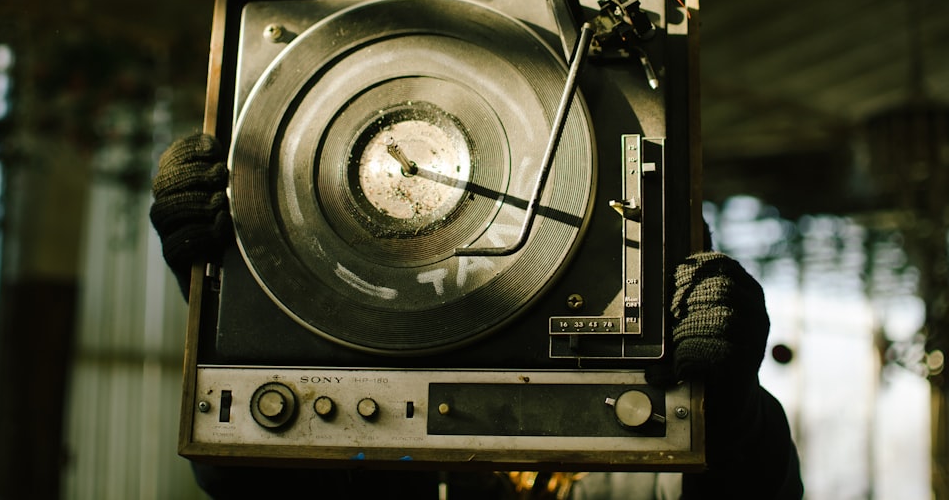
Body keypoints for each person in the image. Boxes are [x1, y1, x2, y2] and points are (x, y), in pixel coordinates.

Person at [150, 133, 803, 499]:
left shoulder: (655, 431)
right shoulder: (386, 342)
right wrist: (233, 313)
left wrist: (734, 422)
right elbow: (266, 490)